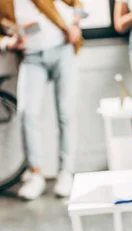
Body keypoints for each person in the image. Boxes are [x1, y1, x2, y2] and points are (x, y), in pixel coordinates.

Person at [0, 0, 85, 200]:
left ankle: (66, 172)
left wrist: (75, 25)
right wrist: (8, 43)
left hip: (62, 49)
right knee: (27, 114)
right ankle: (35, 175)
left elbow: (77, 3)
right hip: (31, 57)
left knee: (66, 112)